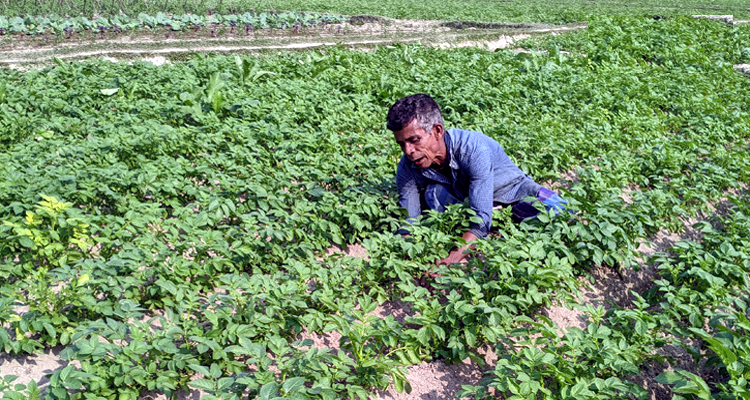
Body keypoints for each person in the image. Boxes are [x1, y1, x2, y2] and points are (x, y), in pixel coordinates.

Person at [387, 94, 568, 266]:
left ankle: (506, 217)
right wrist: (409, 256)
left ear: (437, 131)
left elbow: (480, 222)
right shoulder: (407, 166)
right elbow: (408, 221)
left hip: (510, 193)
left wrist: (451, 258)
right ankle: (495, 222)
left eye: (414, 140)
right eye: (402, 143)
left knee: (561, 214)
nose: (408, 150)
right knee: (432, 194)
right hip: (468, 201)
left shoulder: (473, 149)